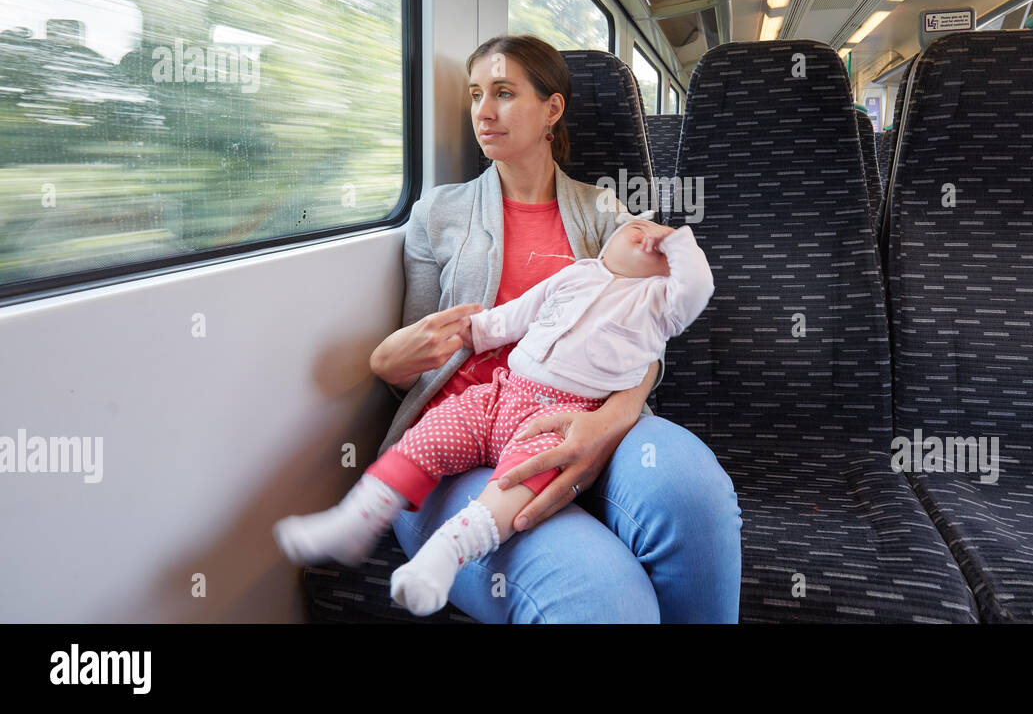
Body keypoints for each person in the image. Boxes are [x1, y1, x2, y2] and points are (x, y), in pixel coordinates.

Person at [326, 34, 740, 622]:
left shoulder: (606, 213)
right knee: (604, 600)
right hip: (461, 441)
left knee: (693, 494)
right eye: (475, 95)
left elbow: (651, 341)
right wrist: (384, 363)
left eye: (503, 93)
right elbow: (418, 360)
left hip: (595, 414)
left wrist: (608, 423)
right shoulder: (436, 213)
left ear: (552, 109)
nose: (483, 112)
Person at [274, 214, 714, 616]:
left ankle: (446, 555)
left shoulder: (658, 302)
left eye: (658, 240)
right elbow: (520, 313)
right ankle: (358, 517)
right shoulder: (576, 273)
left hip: (561, 419)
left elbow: (692, 292)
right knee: (430, 435)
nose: (648, 233)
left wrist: (676, 243)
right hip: (499, 392)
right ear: (606, 248)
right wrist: (475, 332)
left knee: (511, 486)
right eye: (635, 229)